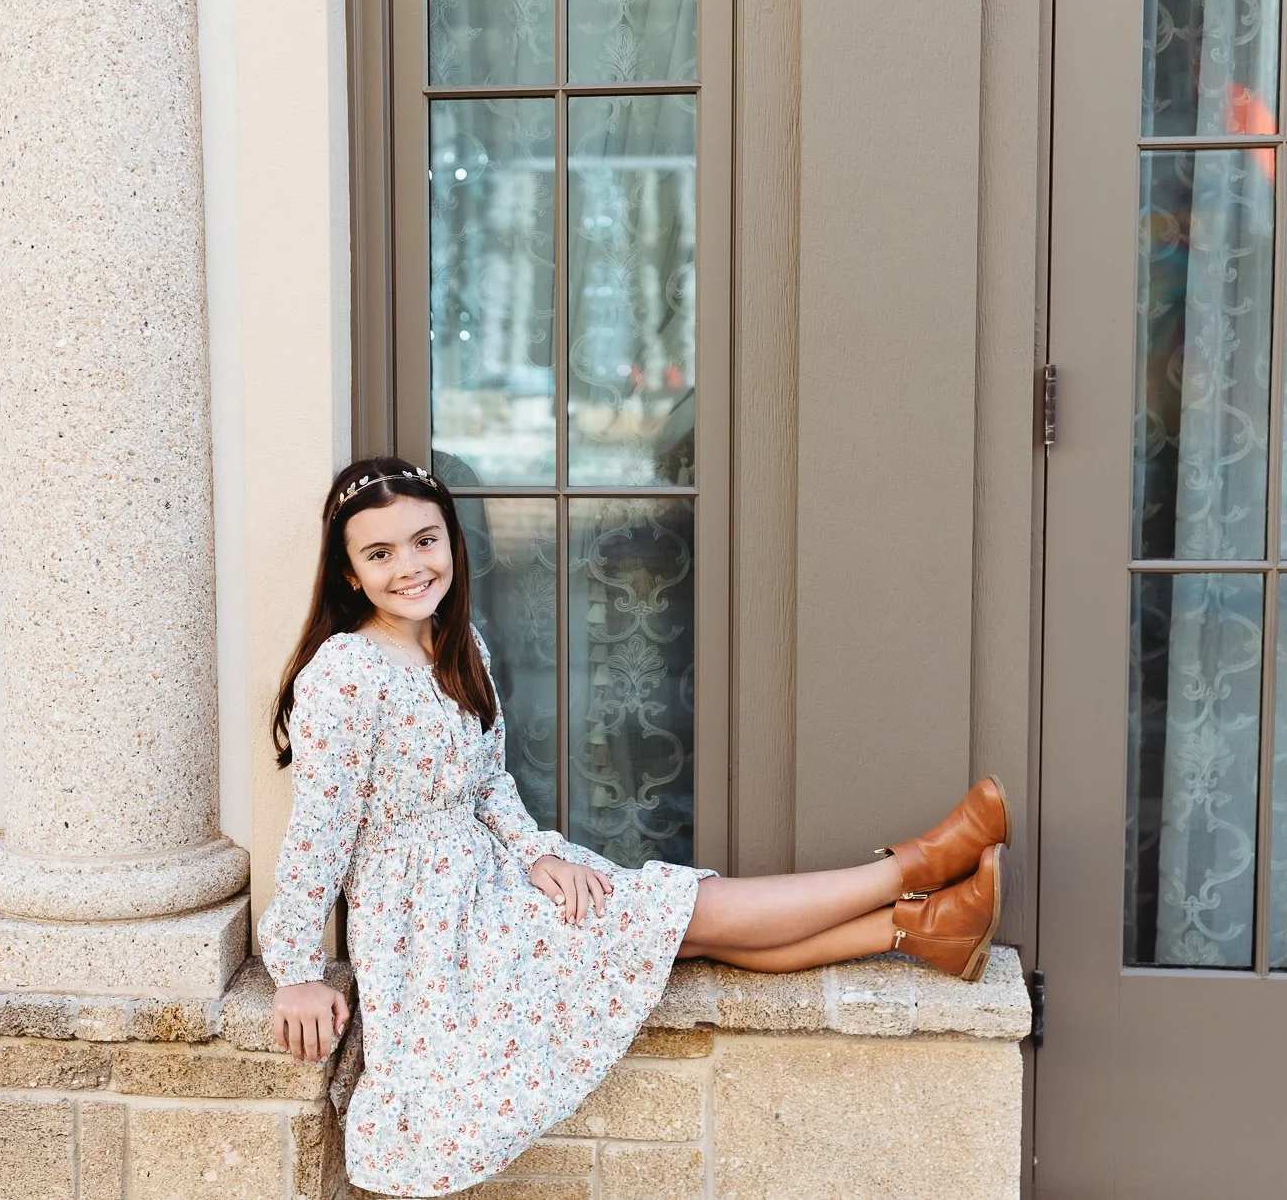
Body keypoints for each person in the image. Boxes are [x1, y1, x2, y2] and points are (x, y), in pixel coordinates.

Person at [259, 457, 1011, 1197]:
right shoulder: (346, 672)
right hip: (430, 931)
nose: (411, 566)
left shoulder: (458, 645)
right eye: (381, 552)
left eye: (426, 540)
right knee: (692, 914)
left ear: (452, 541)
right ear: (351, 574)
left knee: (686, 927)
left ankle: (920, 929)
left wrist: (538, 851)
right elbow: (319, 830)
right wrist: (294, 970)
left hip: (489, 881)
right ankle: (915, 868)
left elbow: (488, 782)